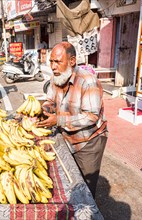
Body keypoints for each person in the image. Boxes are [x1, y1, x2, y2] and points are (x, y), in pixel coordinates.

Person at [37, 42, 108, 198]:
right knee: (69, 179)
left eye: (57, 61)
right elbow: (50, 101)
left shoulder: (87, 81)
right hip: (67, 136)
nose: (53, 67)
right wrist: (44, 110)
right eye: (51, 61)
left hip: (88, 142)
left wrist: (58, 120)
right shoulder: (55, 78)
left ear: (72, 61)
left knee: (86, 188)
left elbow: (91, 116)